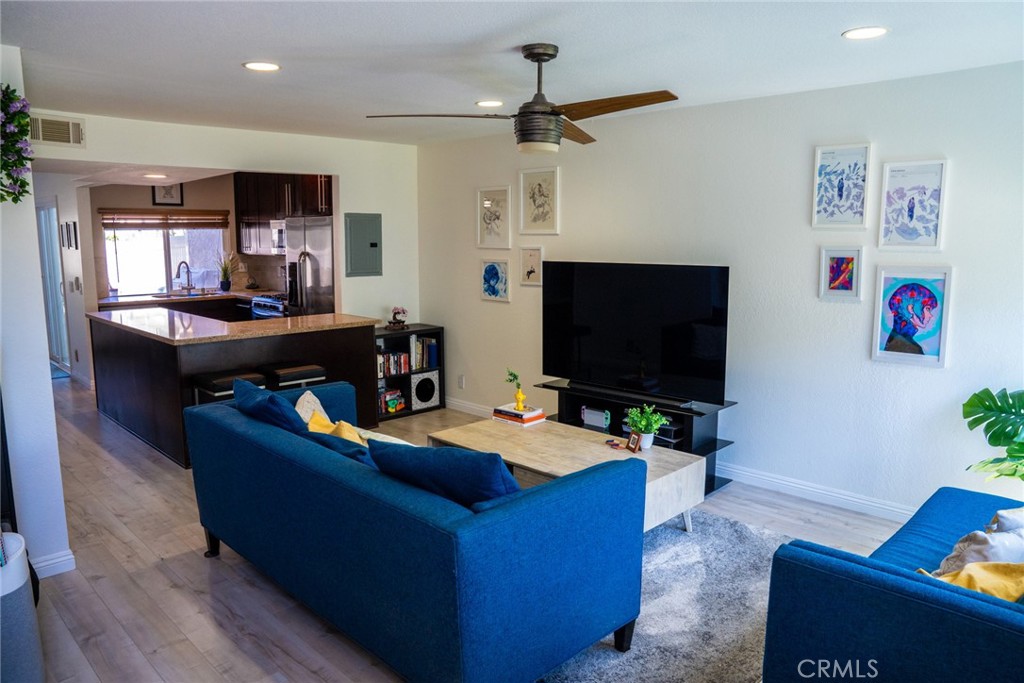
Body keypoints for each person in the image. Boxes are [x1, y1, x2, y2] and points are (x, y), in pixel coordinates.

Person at [884, 282, 938, 354]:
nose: (931, 315)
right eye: (928, 309)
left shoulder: (893, 340)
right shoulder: (912, 348)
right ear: (910, 309)